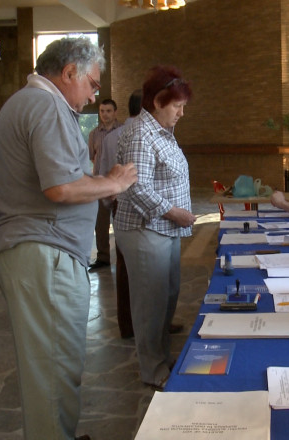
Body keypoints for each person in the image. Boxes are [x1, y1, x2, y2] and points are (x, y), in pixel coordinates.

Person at [0, 37, 137, 440]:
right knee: (53, 371)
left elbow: (64, 179)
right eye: (92, 83)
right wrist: (111, 183)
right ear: (69, 72)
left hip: (42, 252)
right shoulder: (44, 104)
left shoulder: (35, 103)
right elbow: (60, 187)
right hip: (43, 252)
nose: (93, 96)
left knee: (55, 367)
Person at [113, 65, 196, 390]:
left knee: (167, 295)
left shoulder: (160, 131)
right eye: (177, 105)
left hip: (163, 229)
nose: (182, 112)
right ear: (159, 101)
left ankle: (161, 357)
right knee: (150, 303)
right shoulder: (141, 134)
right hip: (145, 230)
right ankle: (152, 369)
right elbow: (134, 188)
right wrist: (173, 211)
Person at [98, 91, 141, 339]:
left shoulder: (112, 137)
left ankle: (128, 325)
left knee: (125, 266)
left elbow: (104, 174)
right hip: (134, 206)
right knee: (151, 267)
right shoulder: (139, 135)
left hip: (120, 203)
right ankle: (151, 323)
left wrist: (110, 203)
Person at [88, 98, 123, 270]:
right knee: (100, 223)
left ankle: (123, 256)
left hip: (117, 185)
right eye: (102, 111)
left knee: (120, 222)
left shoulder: (123, 132)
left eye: (108, 111)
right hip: (100, 184)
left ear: (115, 112)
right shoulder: (94, 134)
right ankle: (103, 257)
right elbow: (91, 157)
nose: (105, 114)